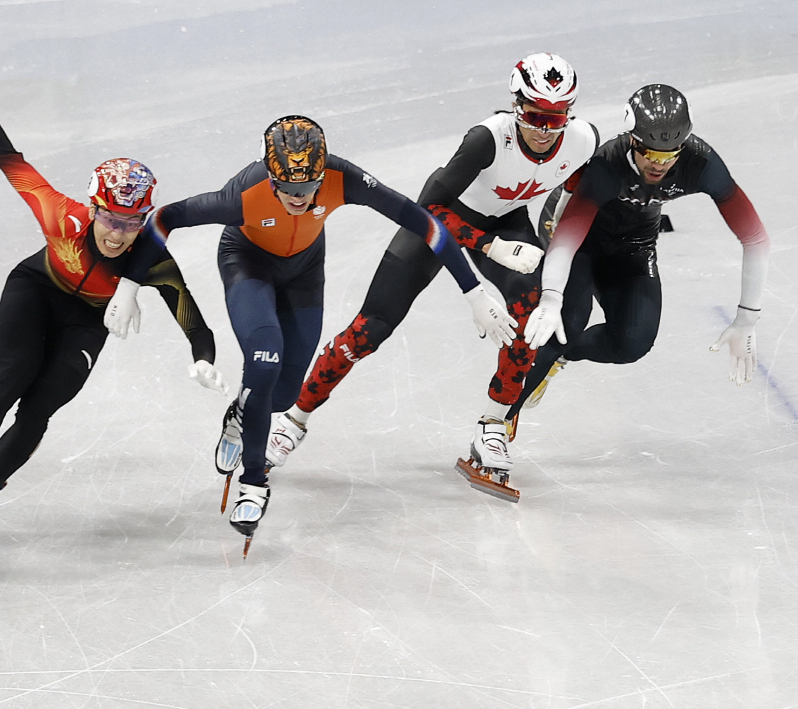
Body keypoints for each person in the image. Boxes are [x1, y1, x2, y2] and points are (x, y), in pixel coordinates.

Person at [104, 115, 515, 547]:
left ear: (322, 174)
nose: (298, 199)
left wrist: (474, 292)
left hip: (304, 272)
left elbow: (425, 222)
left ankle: (242, 415)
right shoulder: (242, 194)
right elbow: (164, 219)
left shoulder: (344, 178)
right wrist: (129, 286)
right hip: (248, 264)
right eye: (287, 190)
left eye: (307, 189)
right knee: (265, 361)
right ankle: (253, 486)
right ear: (271, 177)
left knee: (282, 397)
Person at [0, 41, 223, 553]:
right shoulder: (62, 216)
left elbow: (194, 321)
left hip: (85, 321)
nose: (117, 234)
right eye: (109, 217)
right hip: (35, 291)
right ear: (92, 208)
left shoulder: (151, 258)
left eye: (131, 222)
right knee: (11, 377)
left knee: (40, 408)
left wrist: (203, 360)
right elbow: (7, 158)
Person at [257, 54, 599, 501]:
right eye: (535, 116)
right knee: (370, 329)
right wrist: (491, 249)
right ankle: (292, 420)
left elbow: (580, 194)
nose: (544, 130)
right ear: (516, 106)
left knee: (528, 305)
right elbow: (428, 212)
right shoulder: (486, 140)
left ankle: (493, 426)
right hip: (439, 222)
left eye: (555, 119)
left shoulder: (583, 141)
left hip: (504, 220)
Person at [516, 83, 769, 438]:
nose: (658, 164)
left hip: (634, 243)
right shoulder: (607, 166)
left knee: (631, 343)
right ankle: (498, 422)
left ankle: (561, 358)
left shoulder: (701, 163)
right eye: (650, 153)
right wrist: (551, 298)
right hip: (577, 239)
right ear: (632, 140)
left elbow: (755, 238)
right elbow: (565, 242)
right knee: (565, 323)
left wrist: (747, 319)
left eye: (670, 155)